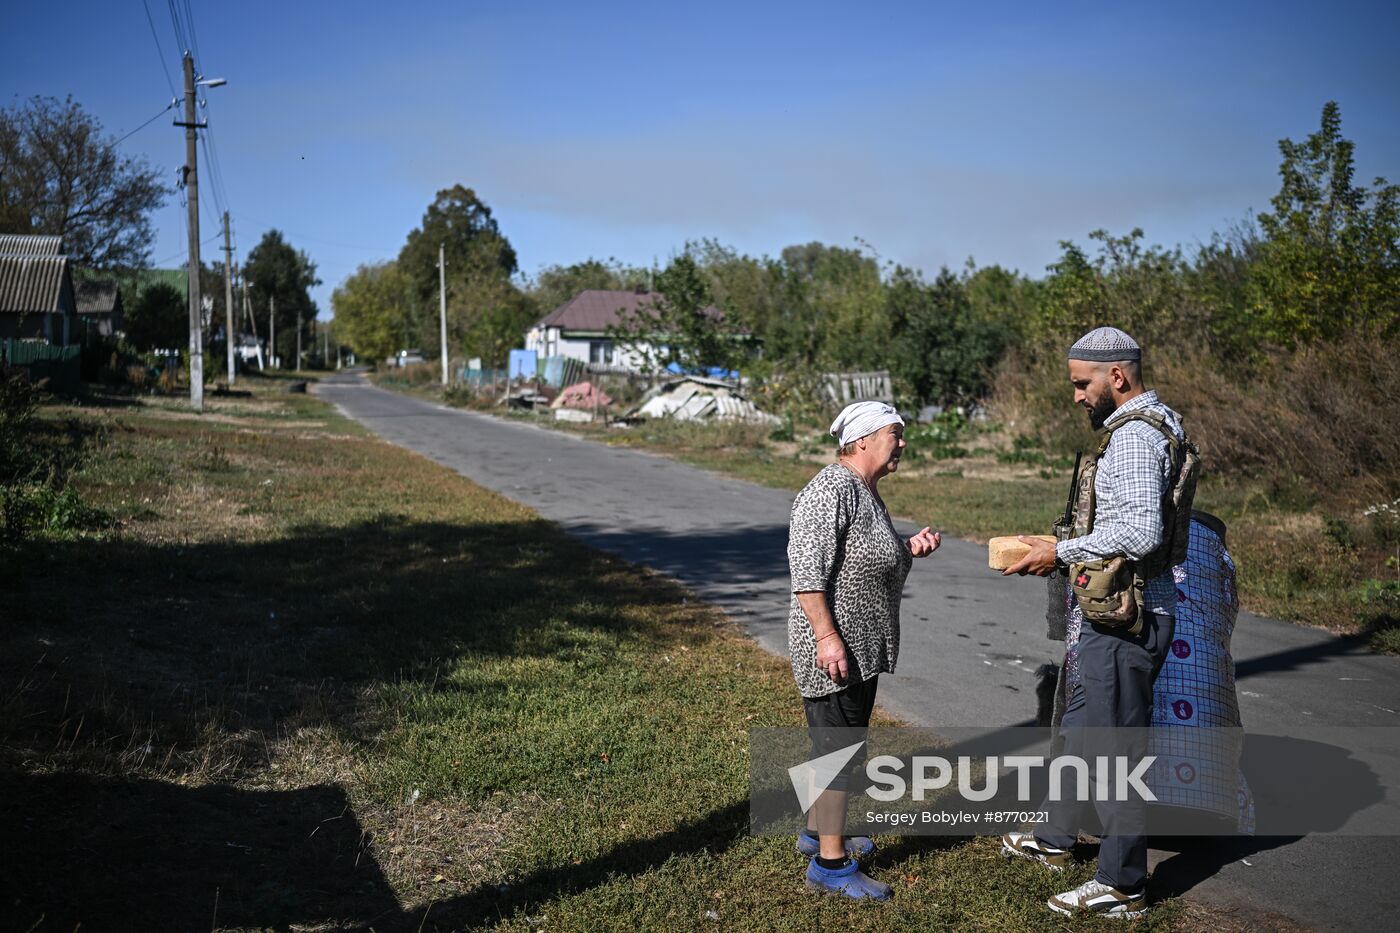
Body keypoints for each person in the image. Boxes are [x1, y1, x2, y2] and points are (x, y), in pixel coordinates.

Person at [1000, 326, 1189, 921]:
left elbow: (1140, 532)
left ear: (1117, 376)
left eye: (1083, 384)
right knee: (1080, 729)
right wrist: (1060, 541)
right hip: (1109, 615)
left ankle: (1122, 883)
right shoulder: (1158, 424)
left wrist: (1061, 553)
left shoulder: (1134, 437)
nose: (1078, 396)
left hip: (1127, 621)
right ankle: (1056, 838)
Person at [787, 400, 941, 900]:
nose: (902, 443)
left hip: (859, 645)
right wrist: (827, 638)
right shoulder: (830, 489)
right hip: (837, 645)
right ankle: (831, 865)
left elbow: (866, 554)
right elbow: (807, 575)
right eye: (894, 434)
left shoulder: (863, 490)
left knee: (835, 745)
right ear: (861, 441)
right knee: (838, 752)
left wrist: (906, 548)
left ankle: (816, 834)